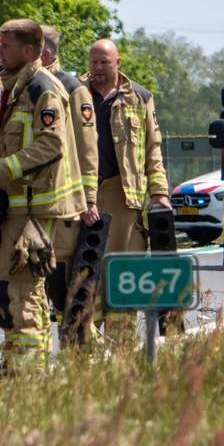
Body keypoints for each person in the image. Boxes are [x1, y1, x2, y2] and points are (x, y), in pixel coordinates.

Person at [0, 19, 86, 372]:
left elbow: (51, 145)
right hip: (10, 209)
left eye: (5, 47)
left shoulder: (42, 89)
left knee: (24, 289)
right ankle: (14, 362)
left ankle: (28, 372)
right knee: (0, 288)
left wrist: (0, 172)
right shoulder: (13, 89)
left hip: (36, 207)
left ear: (30, 51)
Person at [78, 38, 171, 339]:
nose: (98, 68)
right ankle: (86, 344)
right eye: (93, 62)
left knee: (122, 273)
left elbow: (153, 149)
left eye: (104, 62)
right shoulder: (74, 94)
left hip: (125, 195)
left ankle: (120, 343)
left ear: (118, 63)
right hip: (83, 196)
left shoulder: (140, 97)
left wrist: (159, 193)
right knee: (84, 275)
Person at [39, 25, 100, 322]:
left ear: (44, 53)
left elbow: (87, 149)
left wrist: (89, 200)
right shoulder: (25, 87)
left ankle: (79, 357)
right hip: (31, 207)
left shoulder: (73, 88)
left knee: (65, 290)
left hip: (64, 208)